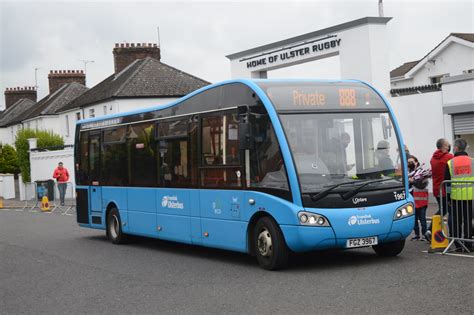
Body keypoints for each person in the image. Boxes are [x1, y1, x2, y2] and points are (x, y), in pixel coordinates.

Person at [444, 138, 473, 251]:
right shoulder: (472, 161)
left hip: (455, 198)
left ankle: (457, 244)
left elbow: (447, 184)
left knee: (456, 222)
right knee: (468, 221)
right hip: (470, 197)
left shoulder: (450, 163)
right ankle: (469, 244)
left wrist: (447, 198)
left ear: (456, 148)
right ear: (465, 147)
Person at [426, 138, 454, 241]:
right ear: (443, 147)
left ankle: (431, 230)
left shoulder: (433, 158)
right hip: (446, 189)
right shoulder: (449, 157)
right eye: (447, 145)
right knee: (449, 211)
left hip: (437, 189)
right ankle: (449, 234)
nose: (449, 146)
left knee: (443, 210)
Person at [408, 156, 430, 241]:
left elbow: (424, 184)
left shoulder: (422, 172)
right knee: (414, 219)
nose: (410, 164)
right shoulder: (408, 173)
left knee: (422, 218)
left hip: (421, 200)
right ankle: (416, 234)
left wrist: (413, 181)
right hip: (412, 199)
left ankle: (424, 235)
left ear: (416, 162)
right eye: (408, 162)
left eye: (412, 162)